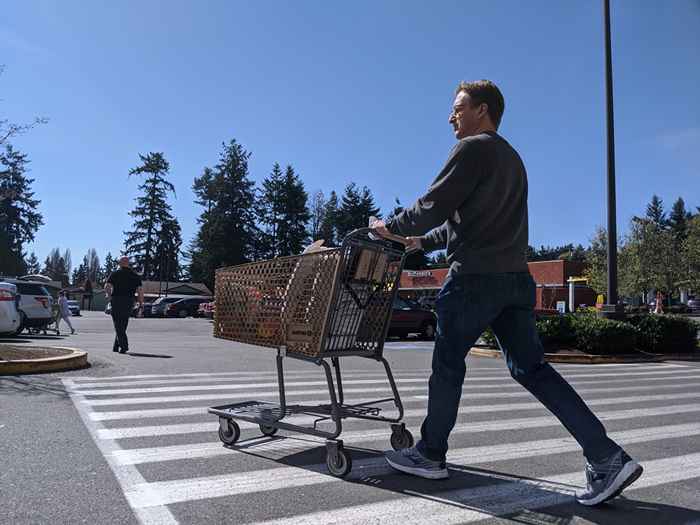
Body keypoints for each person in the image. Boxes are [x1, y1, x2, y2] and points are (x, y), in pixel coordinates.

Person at [372, 80, 642, 506]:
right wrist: (421, 243)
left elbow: (432, 205)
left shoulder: (472, 148)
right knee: (533, 370)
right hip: (514, 279)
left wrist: (392, 228)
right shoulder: (512, 159)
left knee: (446, 365)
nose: (450, 117)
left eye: (457, 108)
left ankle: (430, 453)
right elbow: (464, 221)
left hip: (474, 279)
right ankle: (606, 456)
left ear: (482, 110)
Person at [105, 256, 144, 354]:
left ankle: (124, 346)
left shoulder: (115, 273)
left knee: (118, 324)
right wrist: (140, 303)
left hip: (117, 300)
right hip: (129, 301)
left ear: (120, 263)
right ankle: (115, 346)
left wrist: (109, 297)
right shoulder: (135, 275)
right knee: (123, 323)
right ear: (128, 263)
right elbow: (140, 291)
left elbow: (107, 286)